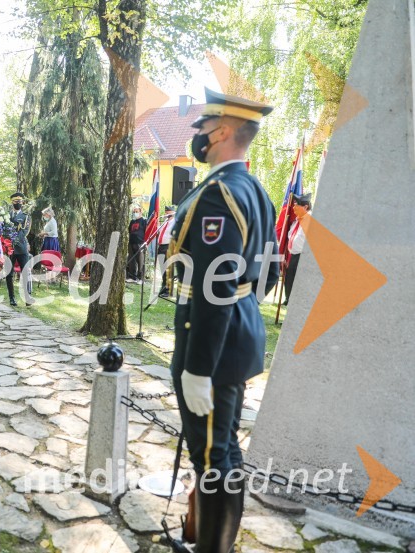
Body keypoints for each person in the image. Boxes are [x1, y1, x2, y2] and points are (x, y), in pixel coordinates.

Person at [166, 88, 279, 553]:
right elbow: (268, 274)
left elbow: (215, 292)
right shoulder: (256, 191)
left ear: (225, 131)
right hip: (236, 337)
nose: (198, 135)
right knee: (223, 450)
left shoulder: (219, 195)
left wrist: (198, 368)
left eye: (205, 127)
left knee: (213, 458)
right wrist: (243, 307)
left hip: (211, 347)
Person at [283, 193, 312, 304]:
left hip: (304, 257)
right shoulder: (297, 221)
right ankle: (289, 300)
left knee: (297, 283)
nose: (294, 207)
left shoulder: (310, 220)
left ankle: (294, 303)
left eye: (297, 205)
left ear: (305, 207)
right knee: (289, 280)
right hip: (294, 256)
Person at [7, 192, 34, 307]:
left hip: (21, 248)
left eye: (20, 201)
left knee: (25, 273)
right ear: (12, 202)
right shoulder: (6, 215)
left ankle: (27, 297)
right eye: (15, 201)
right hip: (9, 248)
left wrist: (14, 240)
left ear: (22, 203)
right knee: (9, 274)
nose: (18, 203)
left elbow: (25, 231)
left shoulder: (26, 216)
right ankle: (12, 298)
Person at [157, 205, 176, 297]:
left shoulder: (175, 223)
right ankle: (164, 287)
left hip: (169, 246)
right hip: (161, 246)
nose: (166, 213)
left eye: (168, 212)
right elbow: (160, 233)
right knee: (163, 269)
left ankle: (168, 290)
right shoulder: (165, 222)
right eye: (166, 212)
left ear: (173, 212)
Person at [126, 205, 146, 283]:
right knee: (131, 260)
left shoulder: (144, 221)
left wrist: (145, 242)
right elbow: (129, 231)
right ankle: (132, 277)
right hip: (131, 243)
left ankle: (141, 278)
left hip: (140, 243)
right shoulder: (132, 221)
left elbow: (146, 231)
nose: (135, 213)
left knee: (140, 261)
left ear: (140, 212)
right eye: (134, 212)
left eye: (136, 211)